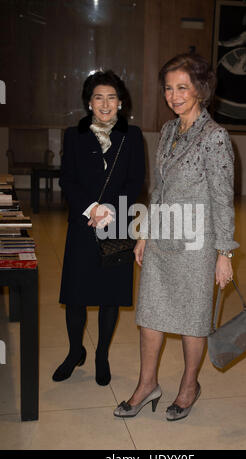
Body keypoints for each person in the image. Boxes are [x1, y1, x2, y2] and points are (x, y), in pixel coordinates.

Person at [113, 53, 239, 421]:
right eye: (168, 88)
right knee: (149, 315)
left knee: (191, 318)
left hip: (196, 245)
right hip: (162, 237)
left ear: (200, 89)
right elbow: (159, 190)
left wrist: (224, 253)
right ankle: (146, 383)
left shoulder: (215, 137)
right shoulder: (169, 131)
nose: (174, 95)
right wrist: (144, 233)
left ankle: (188, 386)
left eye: (182, 87)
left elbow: (222, 197)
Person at [52, 70, 145, 386]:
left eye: (111, 97)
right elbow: (68, 178)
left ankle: (101, 354)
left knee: (110, 296)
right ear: (89, 102)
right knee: (76, 296)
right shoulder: (73, 134)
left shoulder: (132, 136)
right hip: (82, 223)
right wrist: (92, 208)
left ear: (121, 102)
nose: (105, 104)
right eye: (98, 97)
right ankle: (74, 351)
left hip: (117, 225)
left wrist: (111, 211)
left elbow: (136, 181)